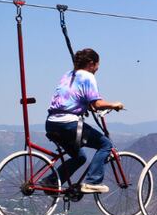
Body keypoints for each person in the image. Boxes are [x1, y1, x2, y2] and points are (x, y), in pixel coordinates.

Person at [44, 49, 125, 194]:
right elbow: (97, 104)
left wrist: (84, 106)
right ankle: (92, 182)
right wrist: (114, 104)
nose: (97, 69)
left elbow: (73, 97)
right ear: (91, 64)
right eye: (97, 65)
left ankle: (51, 181)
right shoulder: (88, 76)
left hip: (51, 123)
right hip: (68, 124)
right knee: (105, 144)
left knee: (79, 157)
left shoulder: (67, 75)